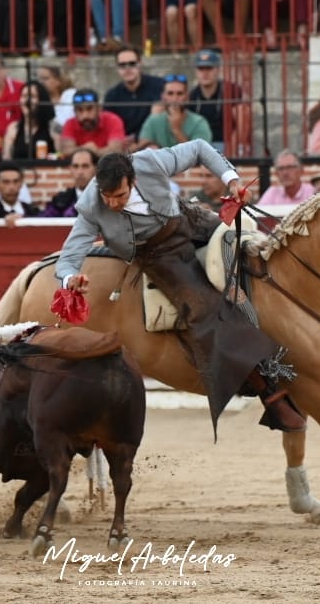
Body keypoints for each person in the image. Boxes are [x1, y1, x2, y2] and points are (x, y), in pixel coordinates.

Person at [57, 142, 305, 431]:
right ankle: (270, 395)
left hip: (192, 220)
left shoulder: (149, 162)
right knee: (205, 309)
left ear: (133, 179)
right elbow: (69, 258)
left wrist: (232, 180)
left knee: (254, 252)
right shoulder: (91, 206)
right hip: (159, 255)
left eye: (120, 195)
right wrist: (69, 279)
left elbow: (200, 148)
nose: (112, 203)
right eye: (107, 196)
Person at [137, 75, 212, 150]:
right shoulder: (153, 120)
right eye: (170, 93)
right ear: (163, 97)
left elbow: (200, 155)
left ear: (187, 97)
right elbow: (142, 148)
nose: (174, 99)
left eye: (179, 94)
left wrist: (176, 129)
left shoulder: (199, 122)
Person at [59, 88, 127, 157]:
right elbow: (66, 151)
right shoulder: (69, 124)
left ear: (99, 108)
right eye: (80, 110)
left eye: (89, 109)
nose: (85, 115)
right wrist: (85, 149)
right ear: (74, 111)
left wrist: (96, 151)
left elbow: (117, 150)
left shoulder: (113, 120)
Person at [2, 80, 56, 160]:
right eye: (24, 96)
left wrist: (48, 157)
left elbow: (61, 157)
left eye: (33, 96)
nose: (27, 101)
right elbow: (6, 159)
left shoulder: (53, 128)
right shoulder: (13, 128)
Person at [40, 147, 99, 217]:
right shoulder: (60, 201)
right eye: (75, 166)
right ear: (70, 169)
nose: (80, 172)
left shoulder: (106, 198)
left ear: (95, 169)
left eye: (85, 166)